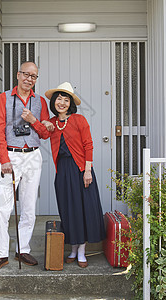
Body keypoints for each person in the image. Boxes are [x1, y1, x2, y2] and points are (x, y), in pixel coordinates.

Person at [0, 61, 51, 272]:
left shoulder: (40, 101)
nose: (29, 79)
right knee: (2, 208)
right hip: (11, 157)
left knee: (29, 206)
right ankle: (1, 254)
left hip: (33, 156)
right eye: (26, 74)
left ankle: (22, 249)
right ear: (18, 74)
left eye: (34, 76)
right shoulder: (4, 98)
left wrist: (34, 120)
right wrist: (3, 159)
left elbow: (45, 133)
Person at [41, 82, 106, 268]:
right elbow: (42, 133)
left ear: (71, 103)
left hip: (80, 169)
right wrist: (43, 122)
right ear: (54, 101)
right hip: (62, 170)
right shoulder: (53, 123)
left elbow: (88, 145)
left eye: (66, 100)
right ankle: (73, 248)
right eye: (59, 99)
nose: (62, 103)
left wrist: (87, 171)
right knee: (68, 210)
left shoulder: (79, 120)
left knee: (83, 209)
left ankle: (82, 250)